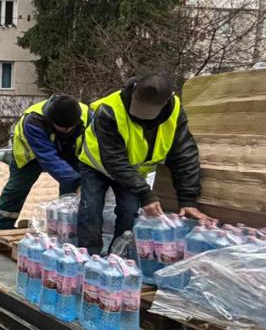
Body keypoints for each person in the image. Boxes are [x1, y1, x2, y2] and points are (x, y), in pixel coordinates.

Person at [77, 73, 206, 255]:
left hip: (130, 170)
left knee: (129, 211)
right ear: (134, 91)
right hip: (96, 165)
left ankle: (119, 256)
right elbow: (115, 159)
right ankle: (88, 256)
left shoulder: (175, 112)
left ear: (164, 103)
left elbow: (184, 155)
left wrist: (187, 199)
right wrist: (146, 194)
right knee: (91, 209)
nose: (142, 117)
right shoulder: (109, 110)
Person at [0, 94, 90, 229]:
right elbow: (48, 158)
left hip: (69, 152)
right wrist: (77, 181)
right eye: (62, 127)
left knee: (71, 193)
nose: (67, 130)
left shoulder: (87, 116)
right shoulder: (34, 121)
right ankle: (0, 229)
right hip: (31, 155)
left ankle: (66, 228)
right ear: (51, 120)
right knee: (15, 191)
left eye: (70, 127)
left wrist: (80, 182)